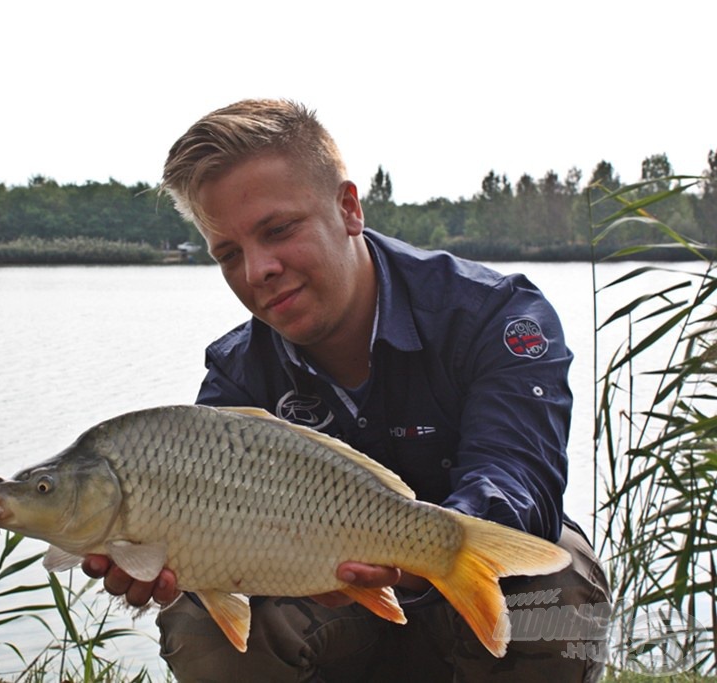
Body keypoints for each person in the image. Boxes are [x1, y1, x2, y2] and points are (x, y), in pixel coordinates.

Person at [82, 99, 611, 682]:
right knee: (199, 619)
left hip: (466, 605)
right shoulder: (238, 373)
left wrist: (412, 556)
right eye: (229, 254)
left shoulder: (494, 316)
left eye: (278, 230)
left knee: (557, 585)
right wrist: (160, 556)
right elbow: (211, 536)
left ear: (348, 207)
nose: (257, 270)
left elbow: (519, 481)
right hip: (330, 616)